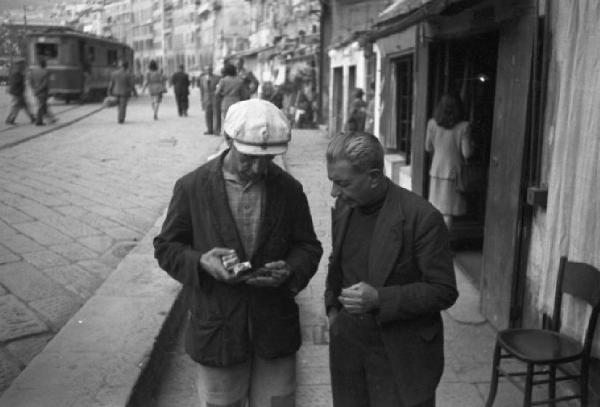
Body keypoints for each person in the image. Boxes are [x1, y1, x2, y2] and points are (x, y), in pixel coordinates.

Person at [154, 99, 323, 407]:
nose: (258, 168)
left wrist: (290, 270)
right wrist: (201, 262)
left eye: (268, 159)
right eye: (249, 158)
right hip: (218, 330)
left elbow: (308, 247)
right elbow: (166, 247)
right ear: (228, 140)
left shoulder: (289, 189)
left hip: (274, 328)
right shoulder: (192, 187)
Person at [325, 132, 458, 407]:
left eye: (342, 183)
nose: (334, 192)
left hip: (400, 354)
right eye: (332, 182)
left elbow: (443, 290)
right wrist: (332, 310)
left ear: (374, 177)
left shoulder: (422, 217)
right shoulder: (344, 206)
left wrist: (379, 299)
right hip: (349, 348)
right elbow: (337, 261)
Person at [425, 94, 473, 229]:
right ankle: (443, 244)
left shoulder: (432, 124)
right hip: (453, 173)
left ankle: (434, 243)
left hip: (436, 171)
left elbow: (428, 147)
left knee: (436, 210)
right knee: (448, 214)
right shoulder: (464, 127)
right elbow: (466, 153)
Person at [215, 63, 248, 127]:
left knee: (227, 121)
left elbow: (217, 93)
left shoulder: (223, 80)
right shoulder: (239, 81)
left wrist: (223, 94)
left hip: (226, 102)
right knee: (236, 121)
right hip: (237, 102)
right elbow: (245, 94)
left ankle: (227, 135)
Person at [4, 59, 36, 125]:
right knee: (16, 106)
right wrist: (23, 77)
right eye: (23, 65)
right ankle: (10, 119)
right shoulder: (17, 73)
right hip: (17, 93)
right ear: (20, 65)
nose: (25, 67)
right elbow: (15, 83)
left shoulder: (17, 72)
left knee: (24, 105)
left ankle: (32, 117)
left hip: (18, 92)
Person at [29, 58, 57, 126]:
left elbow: (30, 81)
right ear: (44, 64)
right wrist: (39, 89)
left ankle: (51, 119)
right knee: (41, 106)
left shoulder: (33, 71)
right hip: (42, 92)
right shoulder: (46, 72)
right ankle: (39, 121)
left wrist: (34, 89)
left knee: (43, 105)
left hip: (36, 91)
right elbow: (45, 83)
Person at [107, 59, 134, 124]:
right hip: (124, 93)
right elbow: (130, 84)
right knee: (123, 106)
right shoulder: (127, 74)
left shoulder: (114, 73)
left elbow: (111, 83)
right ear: (127, 67)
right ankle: (121, 119)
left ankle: (120, 117)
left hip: (115, 92)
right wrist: (133, 92)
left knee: (119, 106)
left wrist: (109, 91)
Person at [199, 65, 219, 134]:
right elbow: (201, 90)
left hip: (215, 97)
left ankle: (216, 130)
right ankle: (209, 129)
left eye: (210, 69)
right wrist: (202, 100)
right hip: (206, 98)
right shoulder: (202, 78)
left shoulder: (217, 78)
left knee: (216, 114)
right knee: (207, 114)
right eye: (207, 70)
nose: (208, 71)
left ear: (212, 70)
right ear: (205, 71)